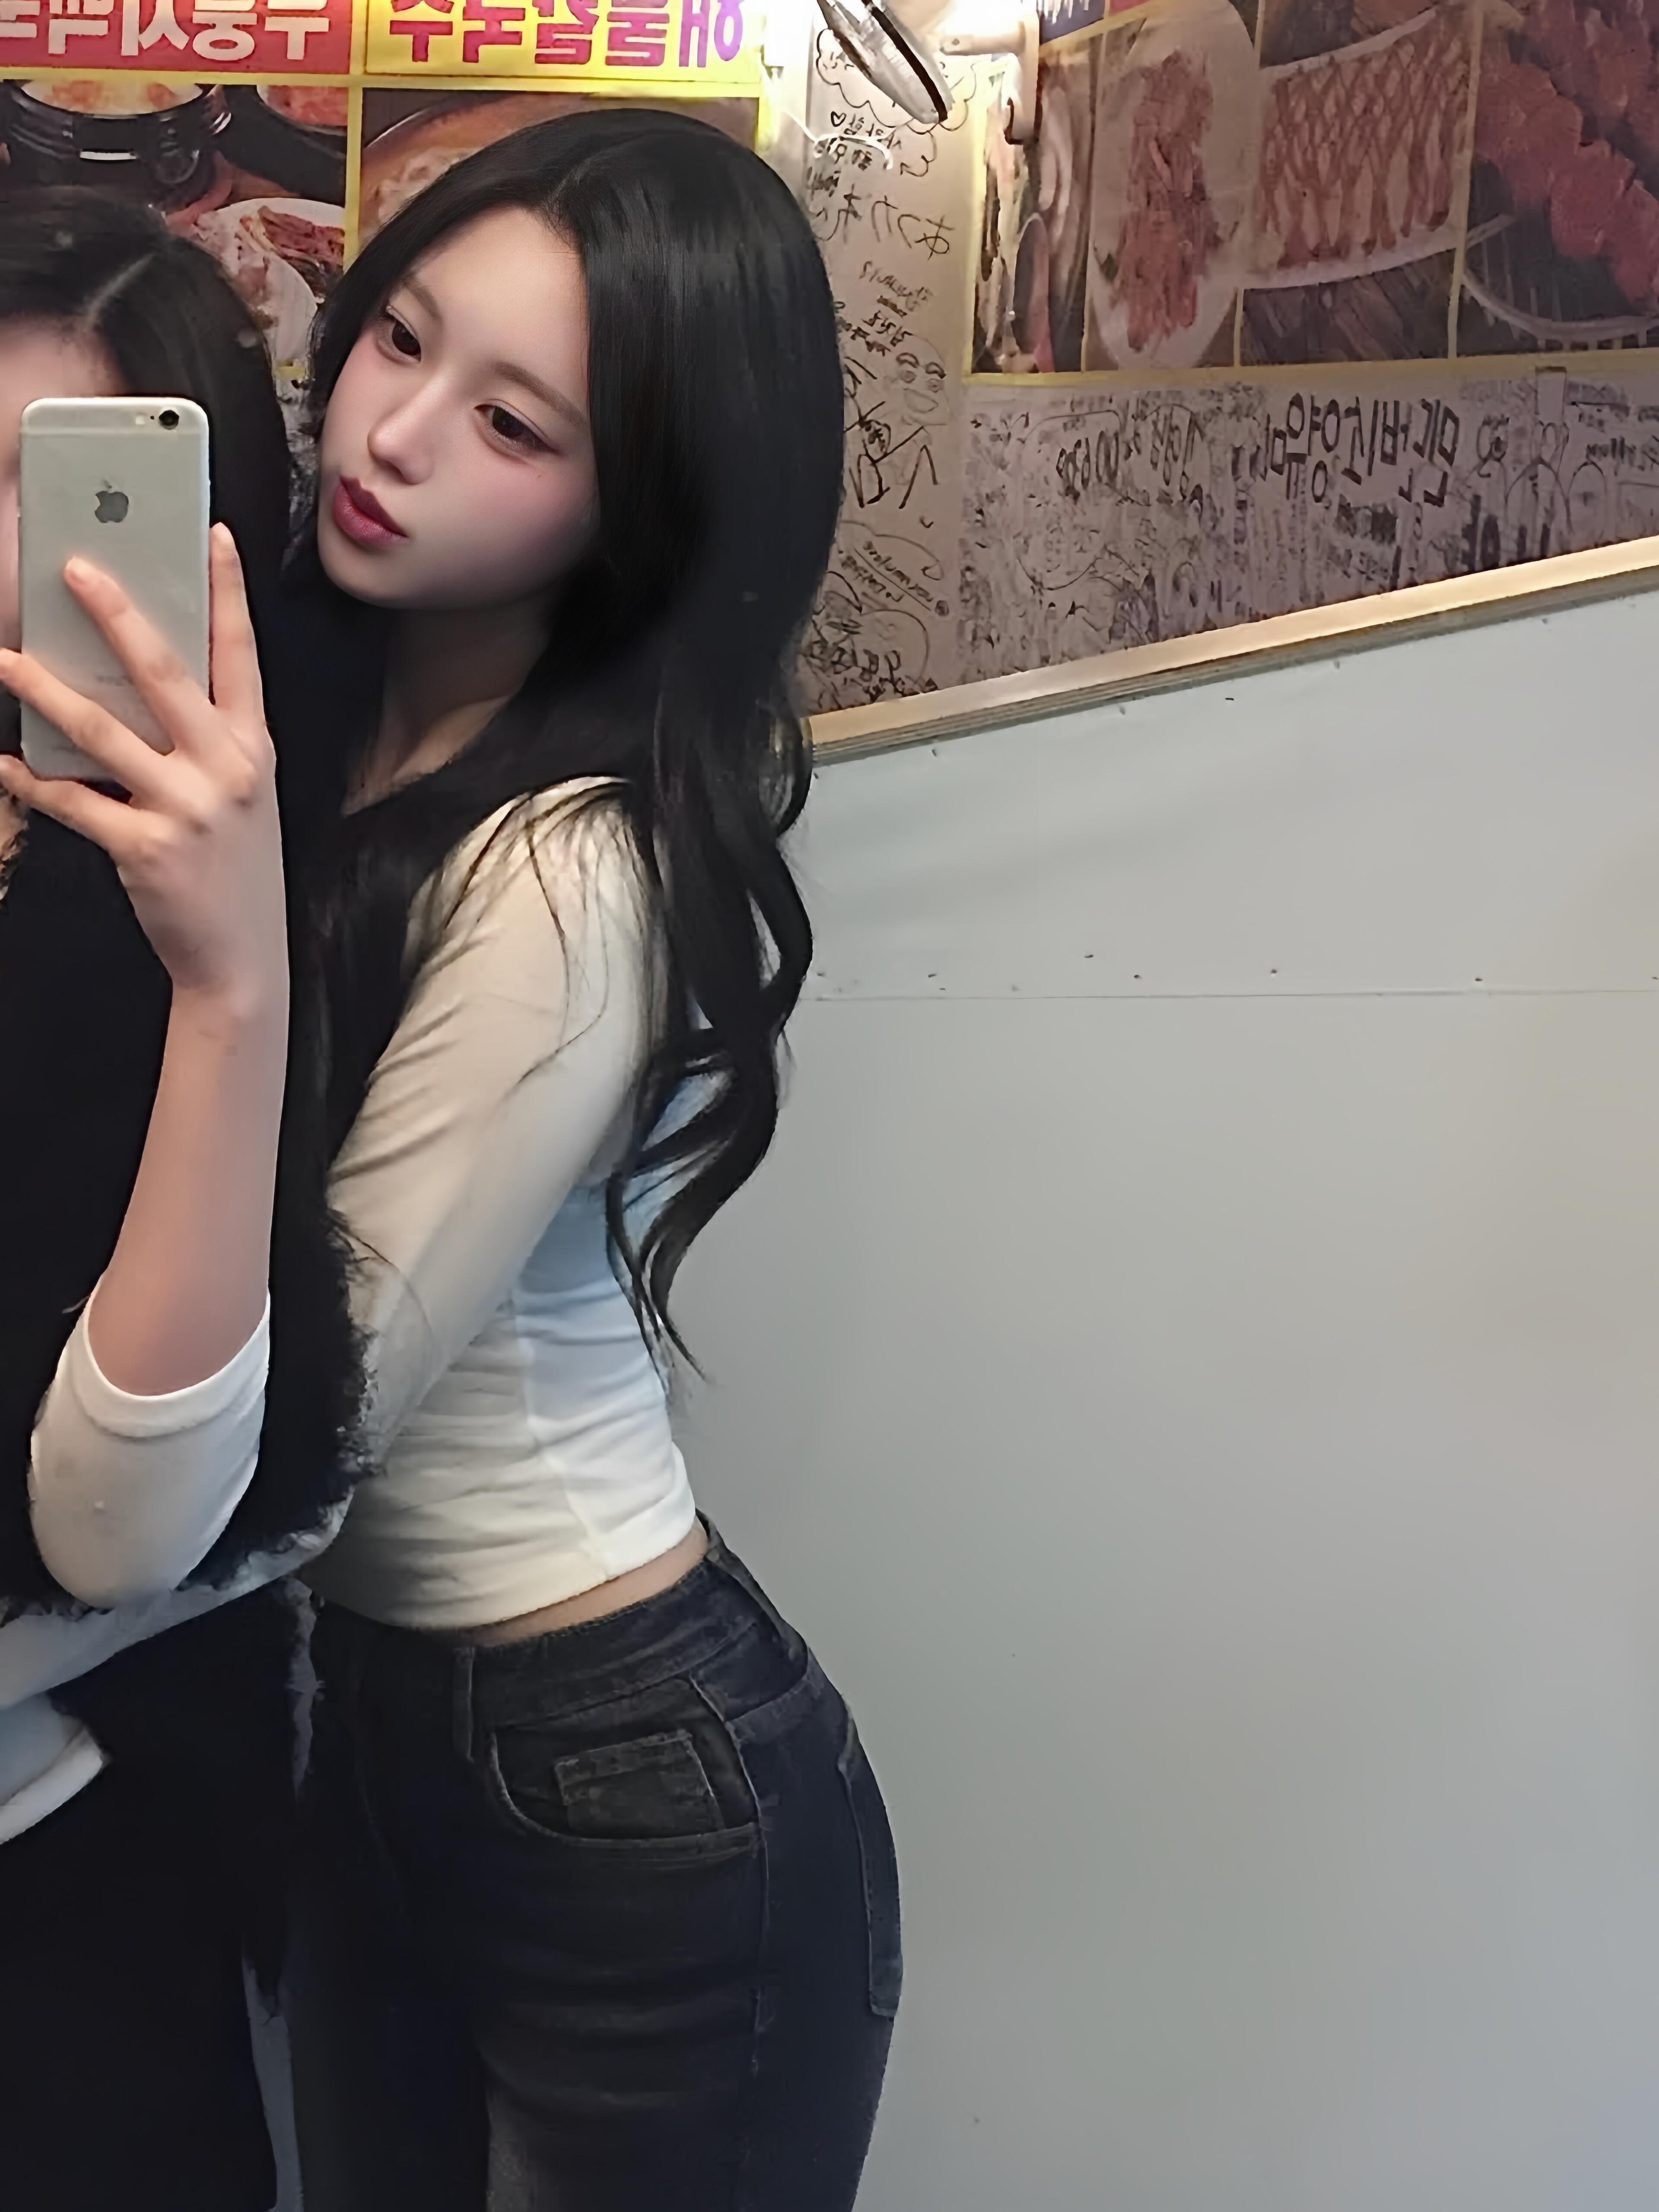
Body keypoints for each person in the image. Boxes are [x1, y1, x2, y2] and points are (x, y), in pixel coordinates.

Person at [0, 113, 900, 2210]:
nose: (393, 437)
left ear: (647, 503)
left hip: (614, 1760)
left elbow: (291, 1454)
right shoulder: (306, 707)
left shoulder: (571, 870)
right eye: (399, 337)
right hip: (371, 1723)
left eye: (515, 423)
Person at [0, 191, 361, 2212]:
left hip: (66, 1885)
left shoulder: (191, 903)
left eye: (46, 485)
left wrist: (228, 980)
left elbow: (121, 1525)